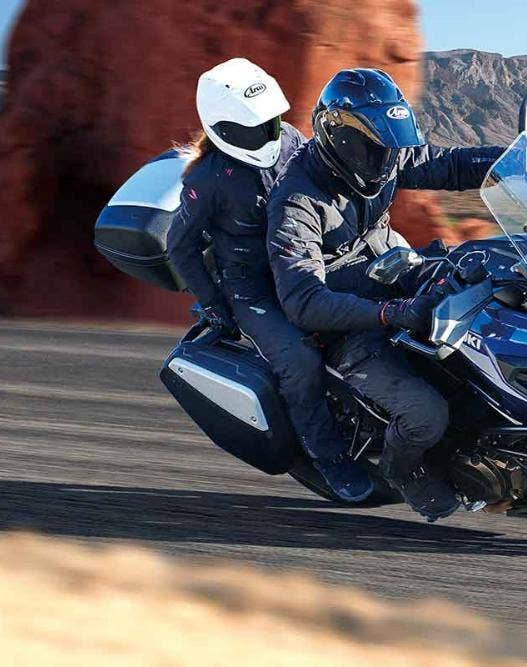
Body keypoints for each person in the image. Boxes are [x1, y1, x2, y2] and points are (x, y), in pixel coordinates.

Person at [266, 68, 505, 521]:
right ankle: (404, 471)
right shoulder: (297, 202)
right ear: (341, 141)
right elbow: (305, 301)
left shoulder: (384, 155)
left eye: (393, 149)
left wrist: (520, 161)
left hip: (394, 272)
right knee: (425, 414)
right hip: (348, 322)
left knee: (492, 275)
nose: (389, 161)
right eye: (377, 151)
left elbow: (452, 164)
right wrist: (390, 313)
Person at [165, 58, 375, 503]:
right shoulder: (206, 181)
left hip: (307, 262)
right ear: (224, 128)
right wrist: (215, 305)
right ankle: (329, 457)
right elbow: (179, 247)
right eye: (255, 127)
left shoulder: (292, 140)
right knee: (300, 363)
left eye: (272, 122)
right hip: (254, 288)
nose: (269, 133)